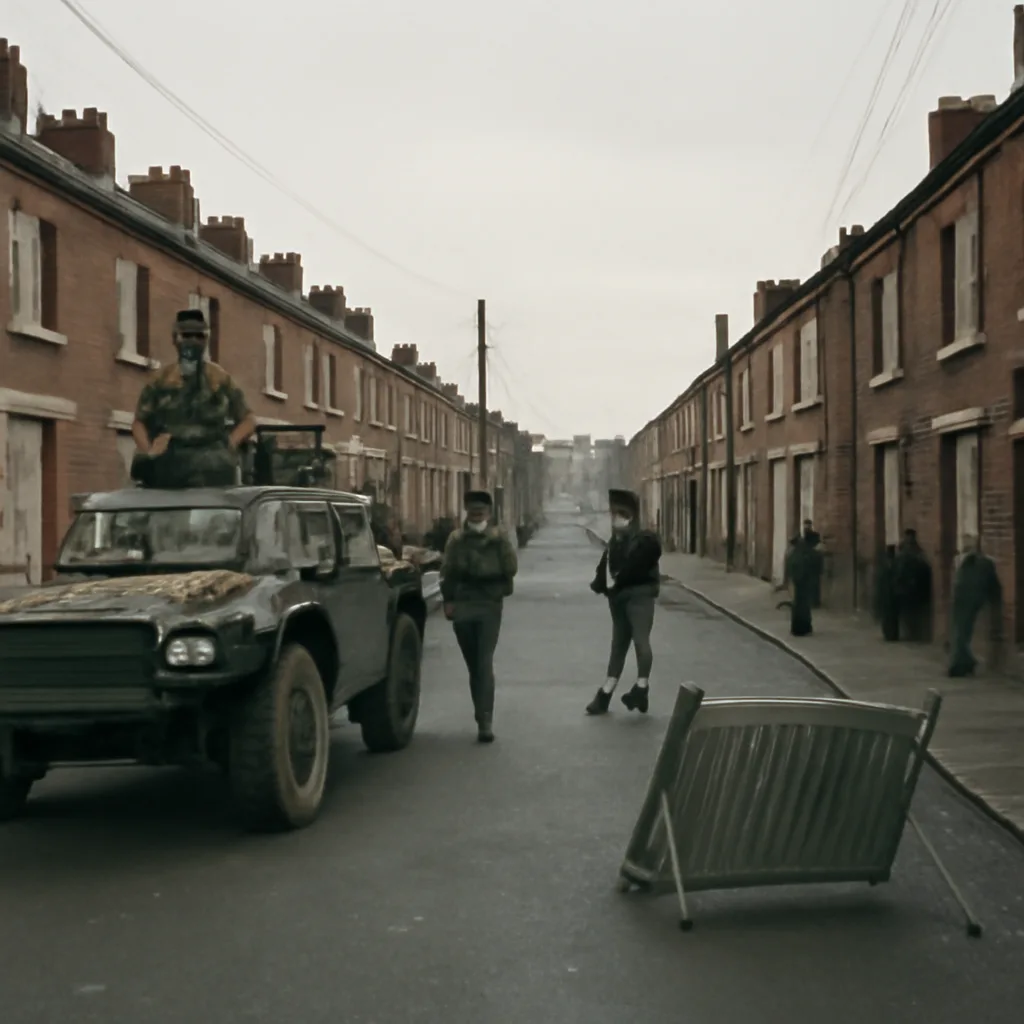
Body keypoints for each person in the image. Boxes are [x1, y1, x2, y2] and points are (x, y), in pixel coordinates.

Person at [131, 309, 256, 489]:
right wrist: (149, 451)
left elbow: (248, 419)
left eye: (200, 336)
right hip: (170, 462)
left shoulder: (219, 378)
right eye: (187, 336)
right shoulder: (160, 380)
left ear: (206, 340)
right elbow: (139, 422)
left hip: (212, 463)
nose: (193, 341)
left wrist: (230, 444)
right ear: (175, 339)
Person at [440, 491, 519, 743]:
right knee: (474, 665)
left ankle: (485, 720)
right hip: (463, 605)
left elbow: (511, 568)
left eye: (481, 514)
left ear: (489, 514)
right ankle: (481, 713)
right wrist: (448, 600)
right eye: (472, 513)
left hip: (488, 605)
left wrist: (500, 545)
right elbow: (448, 571)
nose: (476, 518)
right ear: (467, 513)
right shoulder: (456, 540)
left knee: (484, 662)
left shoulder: (499, 538)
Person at [586, 488, 662, 716]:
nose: (616, 519)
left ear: (633, 516)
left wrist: (616, 581)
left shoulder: (646, 540)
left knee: (640, 641)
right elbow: (606, 567)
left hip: (639, 597)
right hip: (617, 600)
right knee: (618, 645)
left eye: (621, 514)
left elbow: (635, 567)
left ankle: (641, 687)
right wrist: (600, 584)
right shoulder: (615, 542)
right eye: (613, 514)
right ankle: (605, 694)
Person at [785, 531, 815, 636]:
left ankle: (797, 629)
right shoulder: (802, 552)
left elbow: (790, 568)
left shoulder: (792, 554)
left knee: (798, 607)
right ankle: (803, 628)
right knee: (803, 607)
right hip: (803, 583)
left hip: (797, 583)